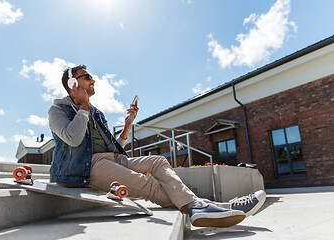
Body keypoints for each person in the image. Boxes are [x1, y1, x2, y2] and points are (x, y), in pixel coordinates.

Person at [48, 65, 266, 228]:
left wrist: (127, 126)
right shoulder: (58, 110)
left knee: (158, 160)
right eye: (87, 77)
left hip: (109, 159)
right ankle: (223, 207)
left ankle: (203, 207)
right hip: (85, 169)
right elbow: (73, 139)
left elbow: (115, 148)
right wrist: (83, 108)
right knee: (148, 185)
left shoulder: (97, 113)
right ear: (72, 84)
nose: (93, 79)